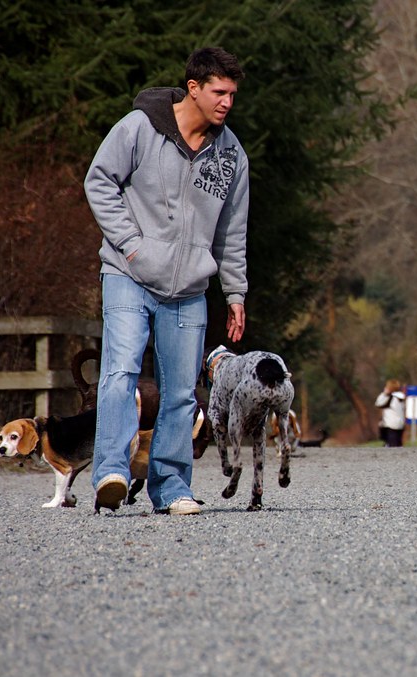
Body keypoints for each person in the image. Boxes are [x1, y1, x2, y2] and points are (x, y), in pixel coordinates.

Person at [85, 47, 249, 515]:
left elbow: (232, 231)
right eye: (219, 92)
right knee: (120, 372)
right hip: (127, 274)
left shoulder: (231, 154)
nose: (226, 103)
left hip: (189, 289)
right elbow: (99, 181)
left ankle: (172, 486)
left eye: (233, 94)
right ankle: (111, 473)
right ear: (193, 88)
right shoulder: (138, 127)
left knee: (180, 391)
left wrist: (235, 293)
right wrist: (131, 244)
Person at [375, 379, 406, 447]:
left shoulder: (390, 398)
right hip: (400, 425)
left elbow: (378, 404)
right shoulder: (400, 397)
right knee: (398, 444)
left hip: (391, 425)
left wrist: (384, 394)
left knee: (392, 445)